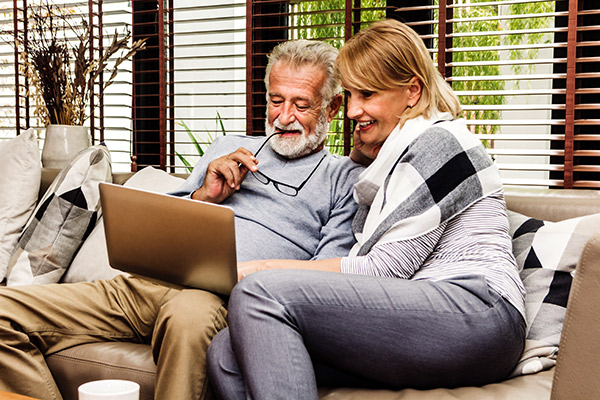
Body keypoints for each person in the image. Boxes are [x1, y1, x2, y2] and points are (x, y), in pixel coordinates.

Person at [0, 39, 364, 400]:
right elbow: (162, 224)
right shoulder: (227, 147)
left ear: (332, 108)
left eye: (301, 105)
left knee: (187, 318)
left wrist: (253, 274)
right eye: (275, 100)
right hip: (145, 285)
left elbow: (322, 279)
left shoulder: (343, 179)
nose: (284, 117)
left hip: (218, 301)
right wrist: (203, 195)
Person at [206, 19, 527, 399]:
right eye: (352, 95)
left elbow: (383, 270)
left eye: (369, 95)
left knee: (259, 293)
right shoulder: (397, 155)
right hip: (426, 320)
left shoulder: (441, 142)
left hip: (477, 312)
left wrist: (255, 269)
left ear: (412, 91)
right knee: (228, 350)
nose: (353, 110)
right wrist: (368, 150)